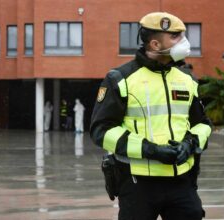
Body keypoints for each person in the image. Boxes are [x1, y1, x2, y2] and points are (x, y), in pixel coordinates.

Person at [90, 12, 212, 220]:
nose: (184, 42)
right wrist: (151, 150)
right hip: (138, 184)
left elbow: (203, 124)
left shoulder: (187, 79)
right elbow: (101, 130)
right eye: (175, 37)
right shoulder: (121, 79)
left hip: (181, 180)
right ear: (155, 44)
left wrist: (189, 144)